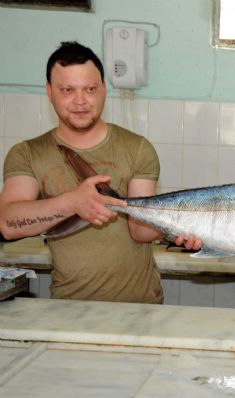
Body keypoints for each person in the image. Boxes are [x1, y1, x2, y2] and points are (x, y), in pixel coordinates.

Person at [0, 41, 201, 303]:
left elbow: (139, 231)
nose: (80, 101)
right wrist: (74, 202)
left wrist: (177, 228)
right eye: (67, 90)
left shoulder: (137, 148)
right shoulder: (27, 153)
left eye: (90, 89)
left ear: (104, 89)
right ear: (49, 92)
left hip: (141, 306)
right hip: (69, 306)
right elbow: (8, 224)